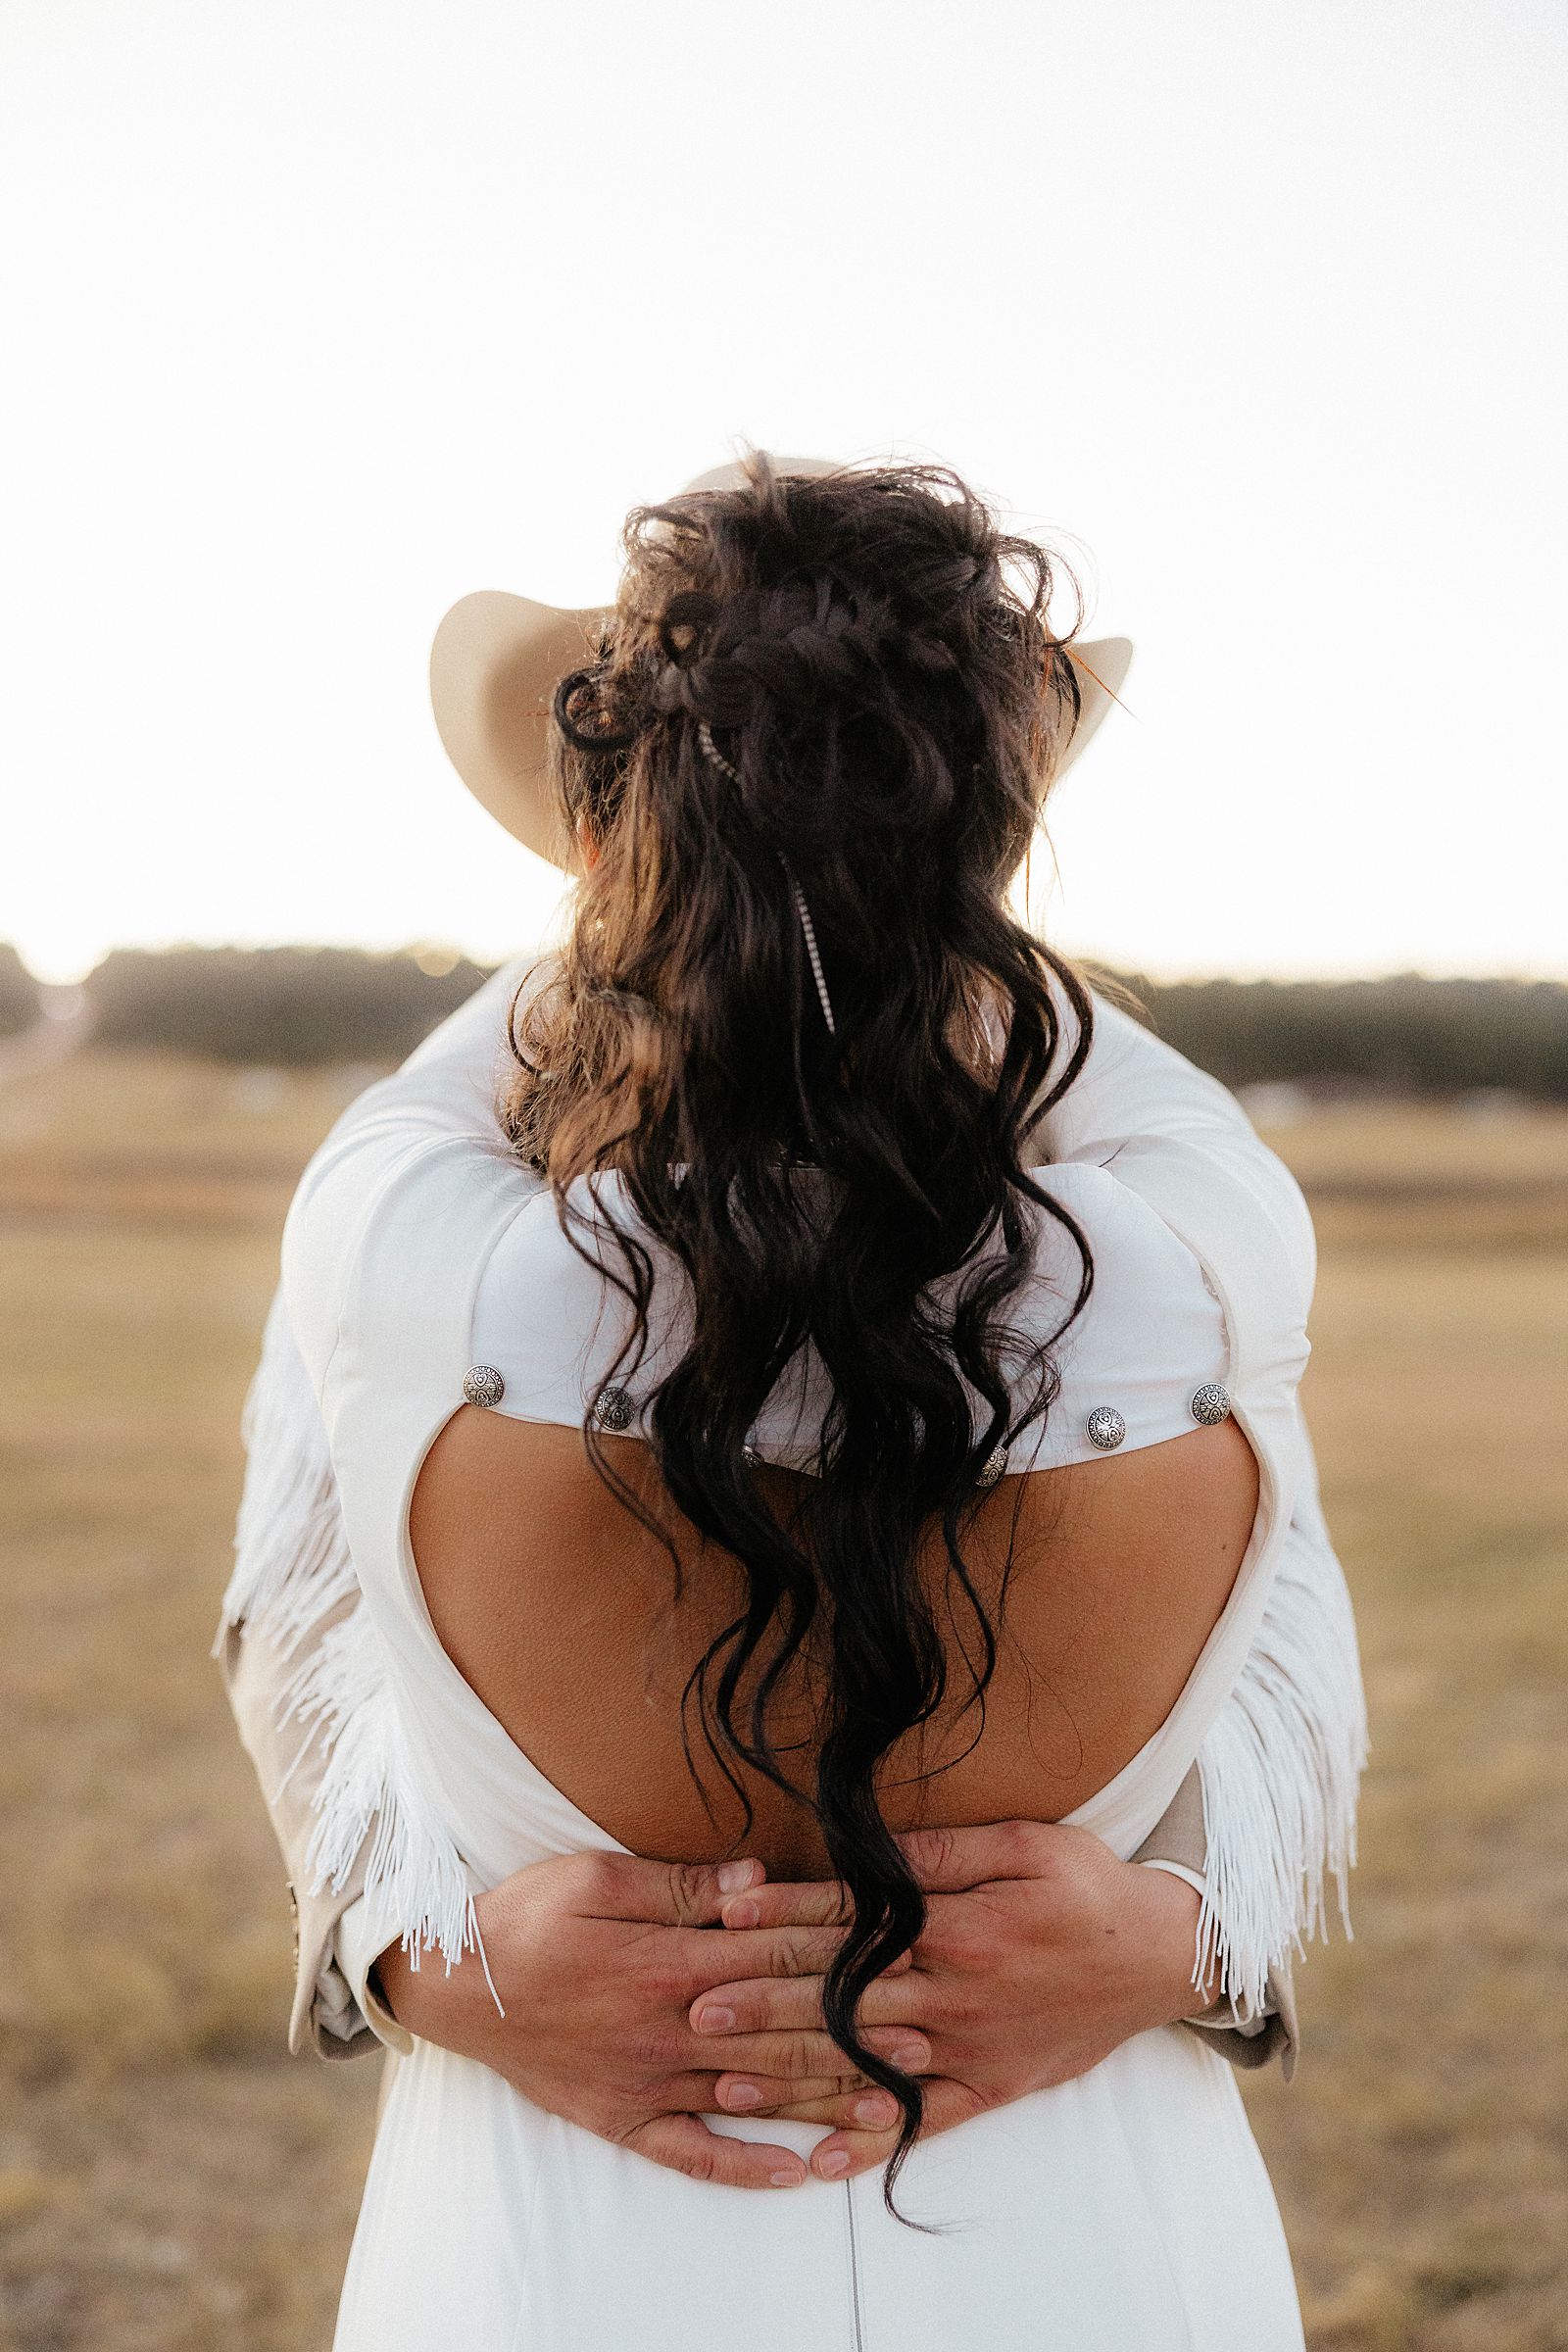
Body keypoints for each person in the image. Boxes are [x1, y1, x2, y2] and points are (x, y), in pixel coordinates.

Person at [219, 453, 1366, 2347]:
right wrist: (1189, 1938)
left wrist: (412, 1961)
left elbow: (294, 1612)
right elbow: (1290, 1645)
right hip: (1089, 2225)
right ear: (987, 845)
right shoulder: (1207, 1249)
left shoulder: (406, 1246)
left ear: (607, 833)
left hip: (556, 2246)